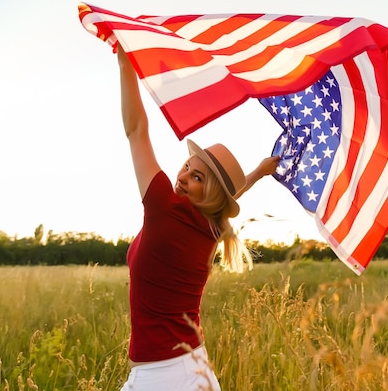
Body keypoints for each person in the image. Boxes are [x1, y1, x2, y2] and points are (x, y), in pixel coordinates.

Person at [116, 46, 279, 391]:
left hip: (166, 378)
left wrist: (125, 61)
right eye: (187, 167)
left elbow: (135, 130)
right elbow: (229, 197)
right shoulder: (211, 226)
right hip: (186, 370)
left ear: (211, 194)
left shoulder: (164, 206)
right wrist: (258, 173)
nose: (183, 177)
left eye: (197, 178)